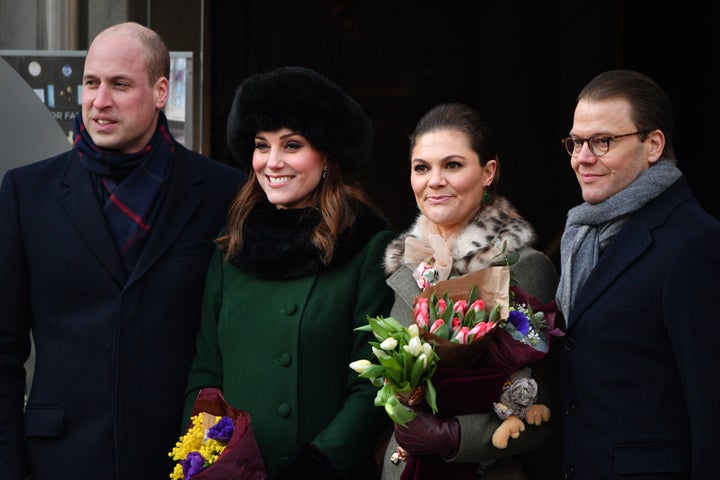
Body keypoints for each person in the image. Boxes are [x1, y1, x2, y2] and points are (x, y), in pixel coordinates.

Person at [0, 22, 246, 479]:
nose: (99, 100)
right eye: (91, 82)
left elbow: (233, 341)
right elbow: (4, 351)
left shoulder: (220, 192)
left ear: (160, 91)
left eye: (119, 84)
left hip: (176, 459)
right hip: (57, 461)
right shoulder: (26, 192)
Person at [181, 66, 395, 479]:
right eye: (262, 146)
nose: (272, 162)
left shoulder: (369, 246)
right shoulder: (234, 242)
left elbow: (374, 384)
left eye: (292, 145)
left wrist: (319, 463)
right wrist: (205, 457)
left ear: (328, 155)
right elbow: (206, 372)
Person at [381, 102, 561, 480]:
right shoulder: (409, 266)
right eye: (421, 168)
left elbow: (544, 408)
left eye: (453, 165)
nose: (434, 181)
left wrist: (453, 437)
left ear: (488, 173)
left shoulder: (523, 267)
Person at [556, 69, 720, 479]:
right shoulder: (578, 236)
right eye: (576, 142)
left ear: (653, 145)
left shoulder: (694, 242)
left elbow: (711, 403)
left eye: (603, 141)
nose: (582, 157)